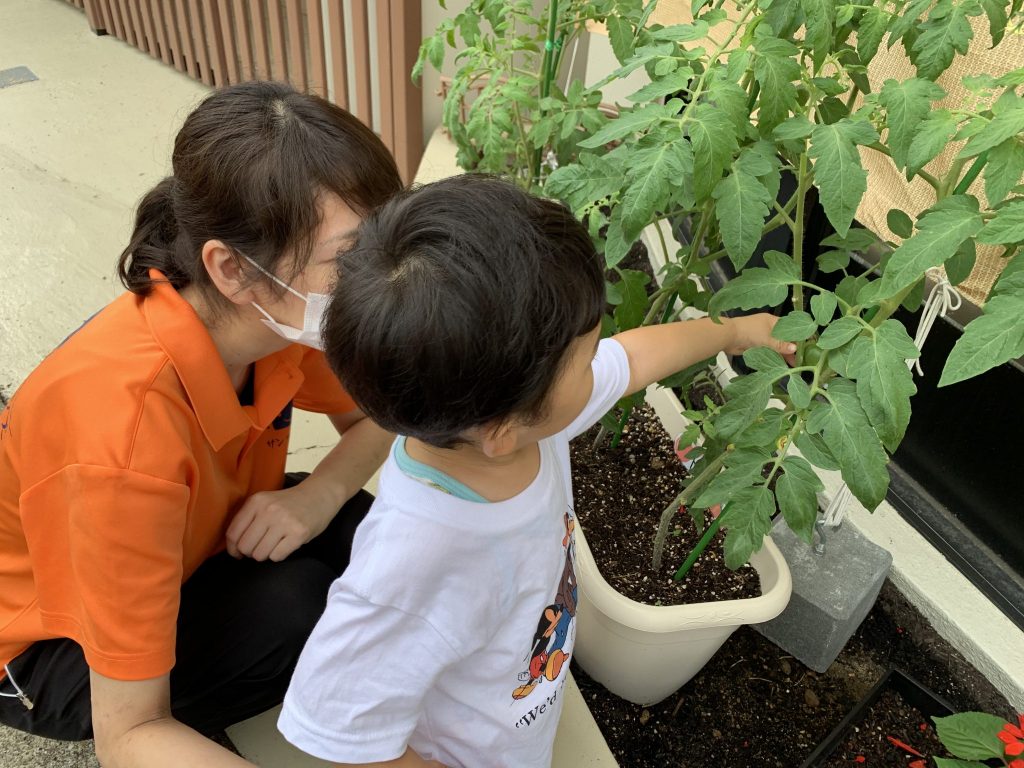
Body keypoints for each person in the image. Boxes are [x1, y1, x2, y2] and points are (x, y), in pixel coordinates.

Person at [277, 175, 796, 768]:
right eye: (585, 358)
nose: (599, 361)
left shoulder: (506, 420)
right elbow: (337, 719)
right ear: (502, 431)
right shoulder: (415, 559)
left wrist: (733, 331)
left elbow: (634, 358)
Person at [0, 81, 403, 767]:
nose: (382, 278)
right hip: (42, 645)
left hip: (184, 543)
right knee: (296, 611)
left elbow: (377, 419)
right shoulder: (123, 442)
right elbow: (130, 734)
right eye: (349, 258)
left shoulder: (272, 319)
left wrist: (317, 495)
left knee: (362, 532)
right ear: (231, 267)